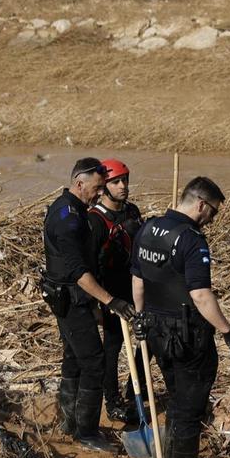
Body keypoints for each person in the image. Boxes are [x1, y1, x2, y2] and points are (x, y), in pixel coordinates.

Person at [131, 176, 230, 458]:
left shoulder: (148, 229)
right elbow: (201, 296)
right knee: (190, 405)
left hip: (155, 331)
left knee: (176, 400)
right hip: (187, 334)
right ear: (201, 205)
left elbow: (138, 281)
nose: (212, 220)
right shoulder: (192, 240)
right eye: (213, 213)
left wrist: (140, 319)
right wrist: (227, 331)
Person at [41, 157, 134, 452]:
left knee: (73, 359)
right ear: (79, 184)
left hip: (70, 298)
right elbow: (79, 272)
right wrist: (111, 301)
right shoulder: (68, 218)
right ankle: (87, 432)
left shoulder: (74, 209)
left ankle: (69, 423)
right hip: (71, 299)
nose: (98, 194)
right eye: (95, 188)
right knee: (94, 362)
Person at [88, 158, 145, 424]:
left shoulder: (132, 210)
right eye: (116, 182)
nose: (123, 186)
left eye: (125, 180)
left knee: (150, 338)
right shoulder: (95, 220)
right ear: (104, 187)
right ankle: (111, 402)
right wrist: (100, 305)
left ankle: (138, 388)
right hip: (110, 291)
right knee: (112, 346)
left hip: (135, 284)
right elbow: (88, 268)